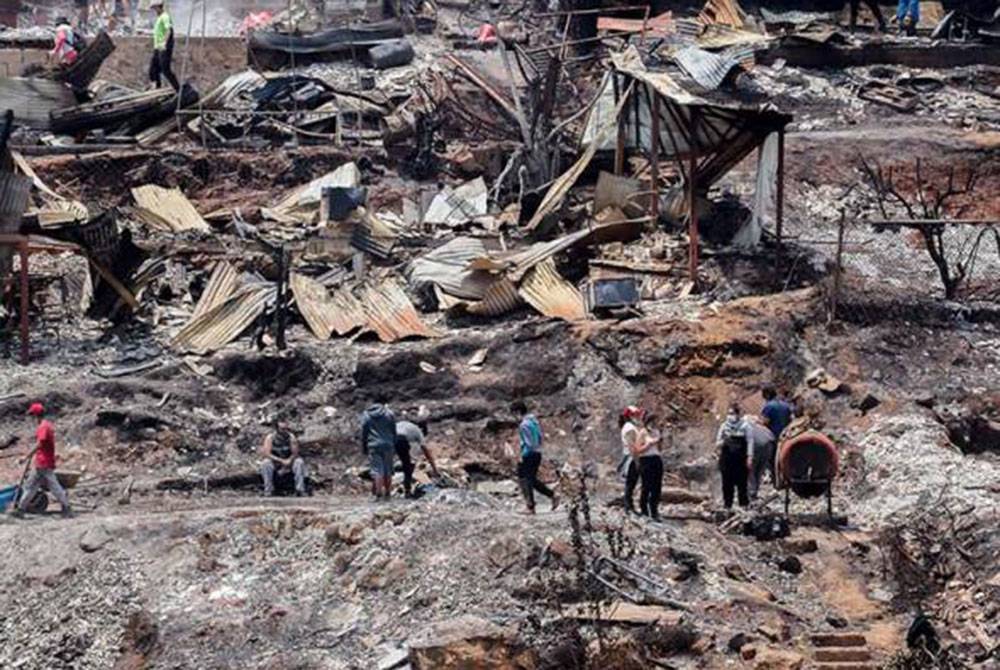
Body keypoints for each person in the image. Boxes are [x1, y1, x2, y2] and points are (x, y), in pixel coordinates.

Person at [11, 403, 72, 518]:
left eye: (32, 415)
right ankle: (66, 507)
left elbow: (40, 443)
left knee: (33, 486)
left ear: (35, 415)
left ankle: (20, 509)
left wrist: (26, 457)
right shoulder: (47, 425)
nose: (31, 419)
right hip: (45, 461)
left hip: (42, 462)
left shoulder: (43, 427)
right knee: (37, 485)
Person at [513, 401, 558, 514]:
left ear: (518, 412)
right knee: (531, 479)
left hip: (529, 454)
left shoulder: (524, 425)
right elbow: (539, 437)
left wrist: (522, 454)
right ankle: (552, 495)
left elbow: (530, 442)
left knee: (525, 479)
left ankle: (530, 507)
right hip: (537, 453)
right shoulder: (534, 421)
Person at [715, 403, 752, 510]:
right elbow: (717, 443)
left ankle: (743, 506)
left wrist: (750, 457)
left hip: (740, 460)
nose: (731, 415)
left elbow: (750, 441)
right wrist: (724, 441)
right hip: (727, 459)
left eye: (733, 413)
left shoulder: (745, 426)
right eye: (729, 413)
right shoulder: (724, 426)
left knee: (742, 484)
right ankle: (727, 505)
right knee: (727, 483)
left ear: (738, 414)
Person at [259, 416, 307, 497]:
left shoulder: (291, 437)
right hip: (275, 461)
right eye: (282, 429)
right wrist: (281, 461)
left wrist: (289, 460)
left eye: (285, 429)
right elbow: (267, 453)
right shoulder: (270, 438)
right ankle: (268, 490)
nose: (284, 431)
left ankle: (300, 489)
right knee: (265, 463)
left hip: (289, 461)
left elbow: (295, 452)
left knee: (299, 462)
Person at [395, 418, 441, 498]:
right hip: (400, 439)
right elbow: (427, 453)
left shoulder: (406, 425)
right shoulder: (418, 431)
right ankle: (407, 492)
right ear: (422, 430)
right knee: (408, 466)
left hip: (386, 437)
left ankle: (382, 489)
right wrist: (435, 470)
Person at [361, 401, 397, 500]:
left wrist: (364, 447)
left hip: (373, 445)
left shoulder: (366, 415)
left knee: (377, 470)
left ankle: (378, 494)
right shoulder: (389, 413)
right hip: (388, 445)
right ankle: (388, 493)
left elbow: (364, 433)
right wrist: (394, 443)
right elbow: (394, 430)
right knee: (388, 469)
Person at [634, 417, 664, 521]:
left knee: (657, 486)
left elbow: (659, 449)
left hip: (656, 458)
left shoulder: (657, 432)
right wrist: (648, 444)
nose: (656, 423)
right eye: (654, 421)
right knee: (646, 485)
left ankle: (654, 510)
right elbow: (638, 449)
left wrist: (659, 442)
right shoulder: (642, 432)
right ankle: (644, 509)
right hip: (646, 459)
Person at [618, 406, 643, 514]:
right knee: (630, 482)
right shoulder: (629, 428)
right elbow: (631, 445)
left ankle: (629, 505)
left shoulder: (630, 426)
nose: (638, 416)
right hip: (631, 457)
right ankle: (628, 506)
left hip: (631, 456)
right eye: (636, 414)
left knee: (631, 482)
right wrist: (637, 460)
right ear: (630, 415)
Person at [744, 415, 776, 501]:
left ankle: (751, 493)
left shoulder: (746, 428)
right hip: (768, 447)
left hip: (756, 448)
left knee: (750, 471)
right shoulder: (763, 429)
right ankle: (754, 492)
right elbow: (772, 438)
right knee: (759, 471)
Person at [148, 1, 179, 90]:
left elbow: (169, 30)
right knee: (153, 70)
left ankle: (177, 88)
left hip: (163, 48)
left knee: (165, 69)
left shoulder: (165, 16)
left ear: (158, 7)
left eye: (154, 8)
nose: (154, 10)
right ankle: (157, 87)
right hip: (157, 48)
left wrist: (164, 43)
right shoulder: (159, 18)